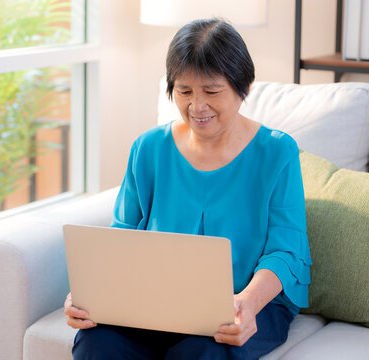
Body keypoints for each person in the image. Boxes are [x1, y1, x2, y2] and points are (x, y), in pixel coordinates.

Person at [64, 18, 312, 360]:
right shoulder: (149, 147)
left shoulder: (277, 152)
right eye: (184, 91)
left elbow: (285, 250)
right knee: (95, 342)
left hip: (248, 300)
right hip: (157, 300)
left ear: (245, 86)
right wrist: (92, 294)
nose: (197, 107)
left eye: (211, 91)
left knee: (203, 350)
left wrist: (247, 303)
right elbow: (121, 236)